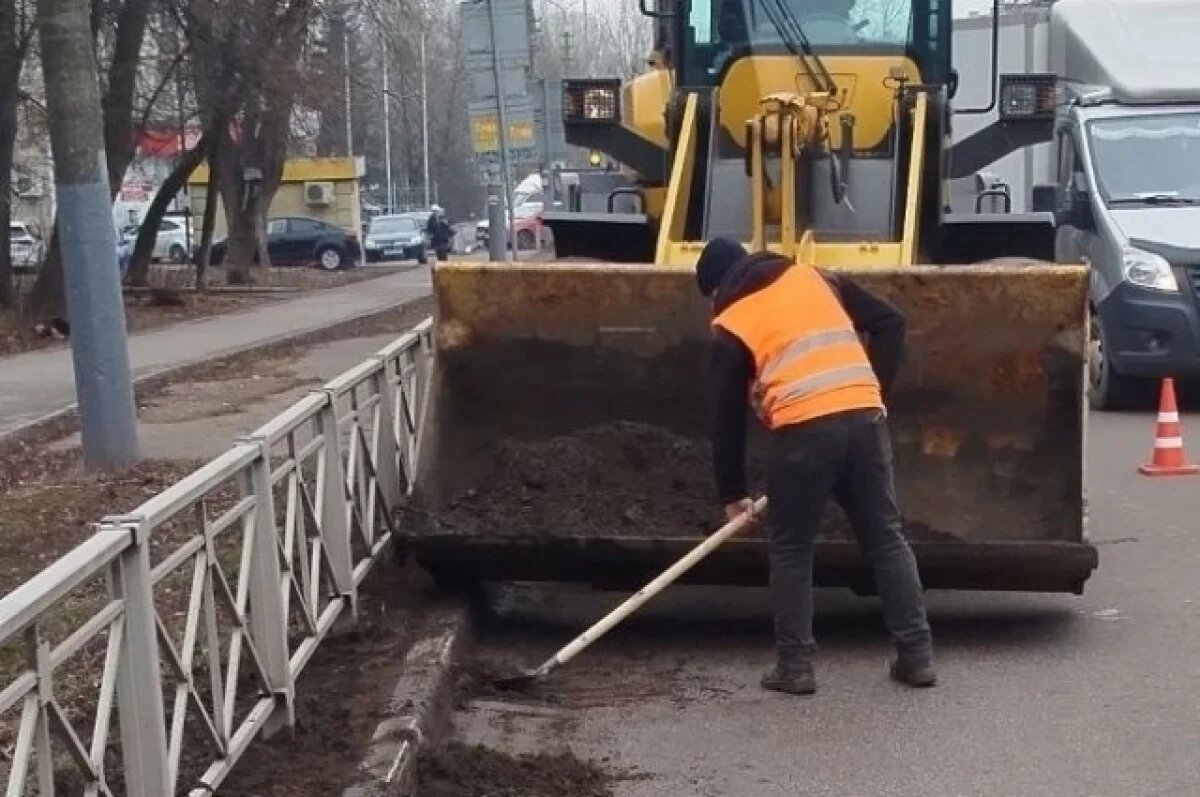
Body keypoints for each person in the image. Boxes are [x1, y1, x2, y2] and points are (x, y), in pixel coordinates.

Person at [695, 237, 935, 695]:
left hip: (803, 431)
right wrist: (874, 393)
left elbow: (725, 417)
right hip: (865, 421)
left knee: (791, 548)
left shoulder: (733, 320)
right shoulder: (816, 278)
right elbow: (891, 322)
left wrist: (732, 494)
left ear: (717, 288)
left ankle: (795, 667)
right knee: (886, 539)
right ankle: (917, 657)